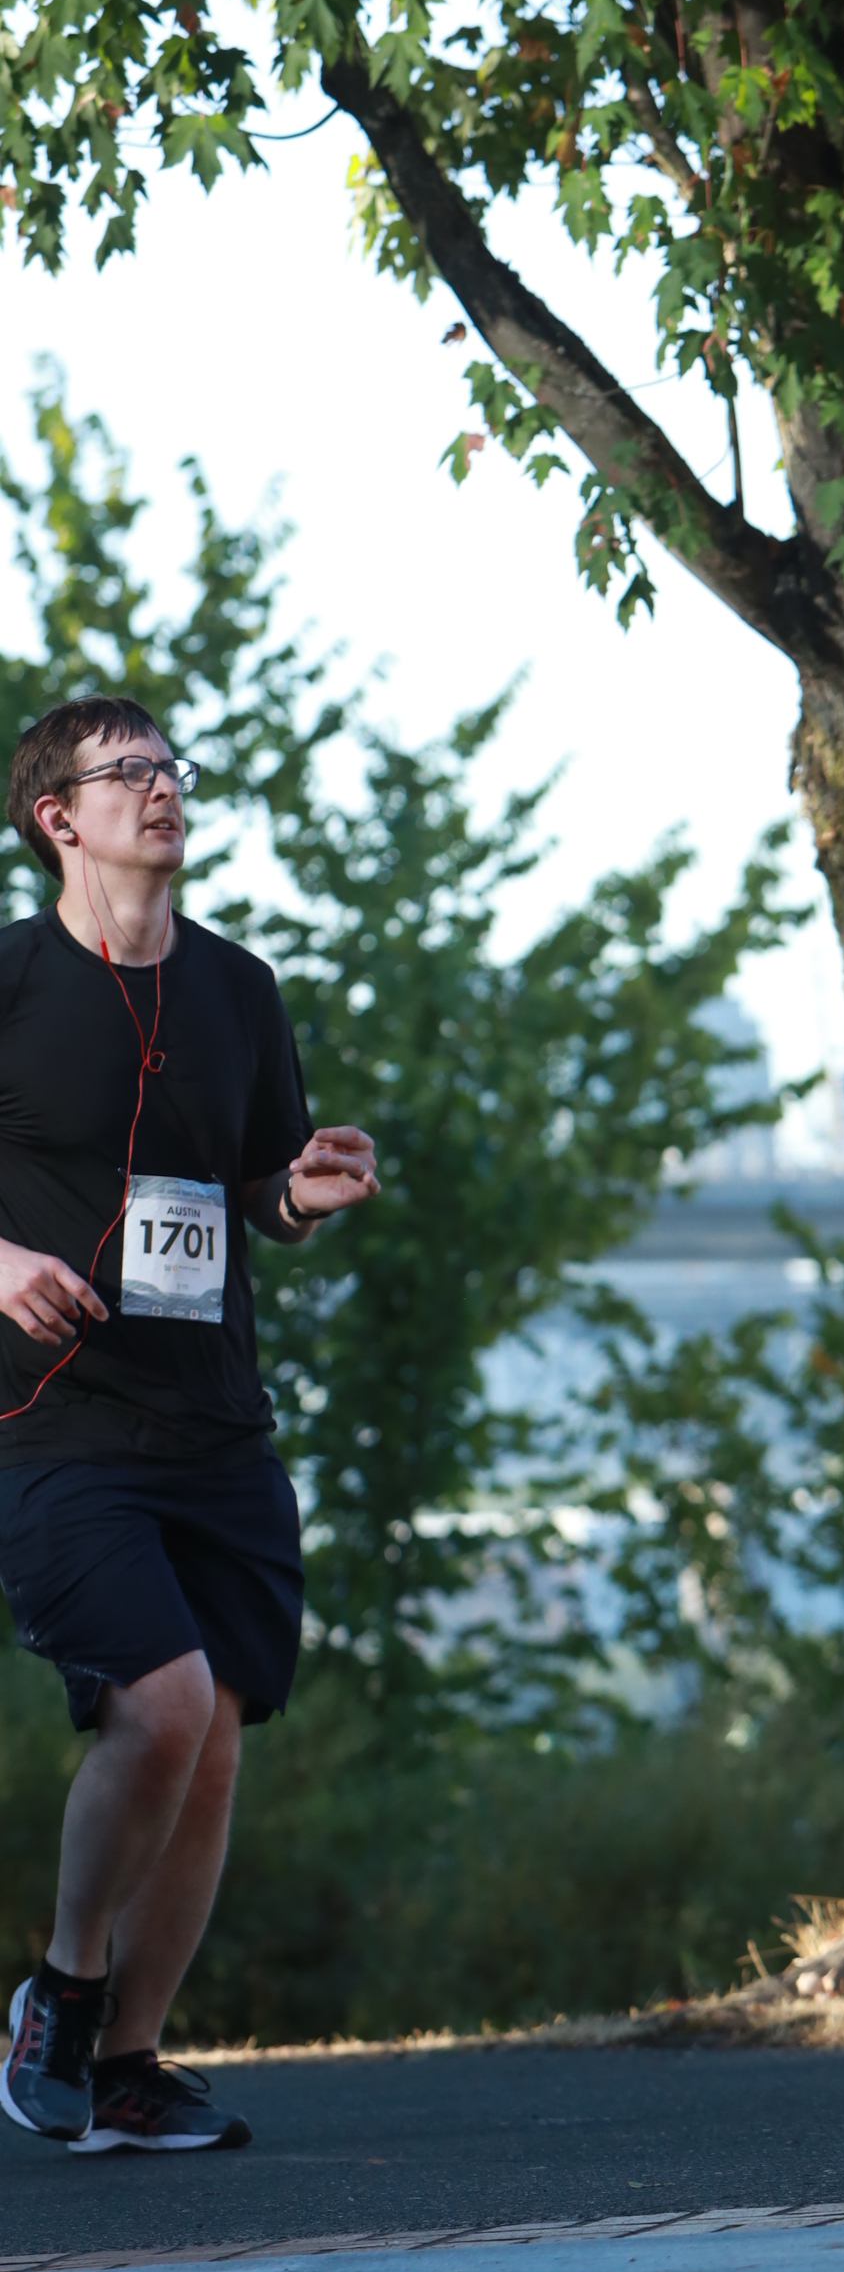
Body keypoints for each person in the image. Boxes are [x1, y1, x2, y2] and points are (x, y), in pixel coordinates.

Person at [0, 696, 379, 2155]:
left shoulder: (239, 989)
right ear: (59, 817)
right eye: (129, 773)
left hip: (216, 1427)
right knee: (156, 1703)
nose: (164, 789)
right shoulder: (11, 978)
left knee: (210, 1739)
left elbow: (258, 1189)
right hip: (52, 1423)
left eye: (172, 768)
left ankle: (129, 2063)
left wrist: (302, 1194)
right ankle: (60, 1994)